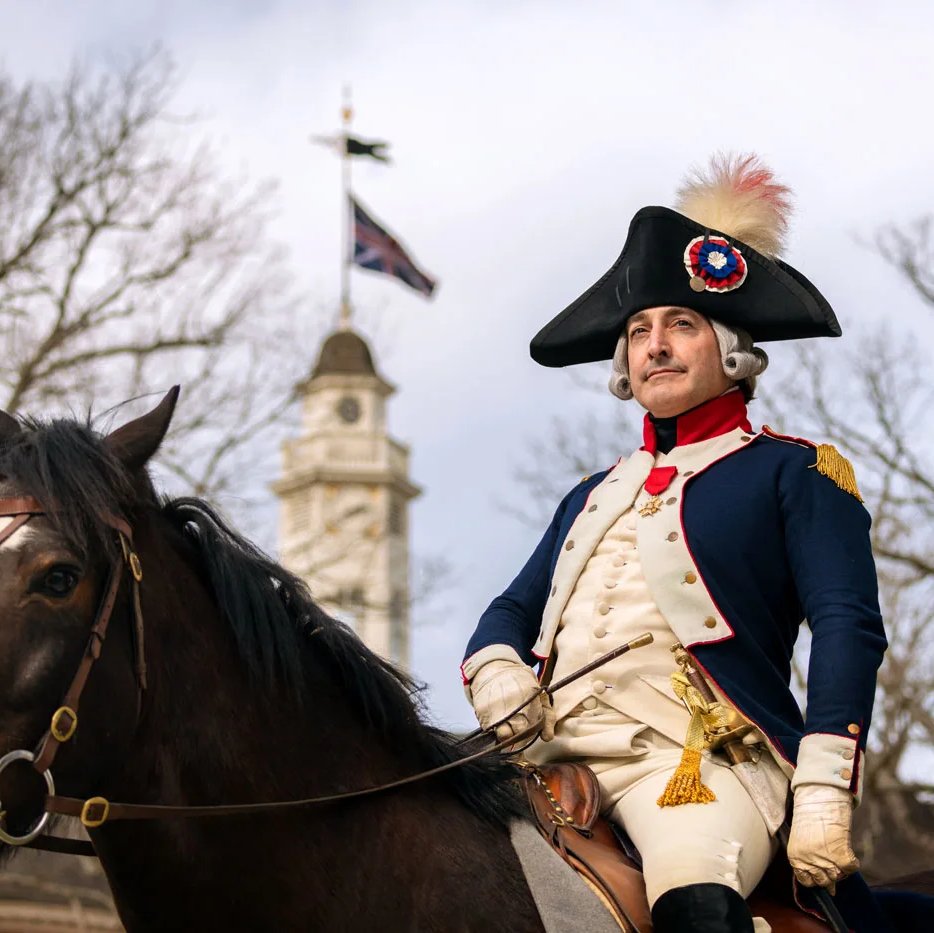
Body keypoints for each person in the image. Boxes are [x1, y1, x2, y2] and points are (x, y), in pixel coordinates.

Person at [462, 155, 890, 933]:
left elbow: (846, 624)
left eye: (680, 325)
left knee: (695, 895)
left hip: (695, 769)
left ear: (731, 350)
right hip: (549, 758)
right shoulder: (592, 492)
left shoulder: (795, 472)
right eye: (638, 330)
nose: (654, 344)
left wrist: (827, 782)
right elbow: (511, 607)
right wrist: (495, 667)